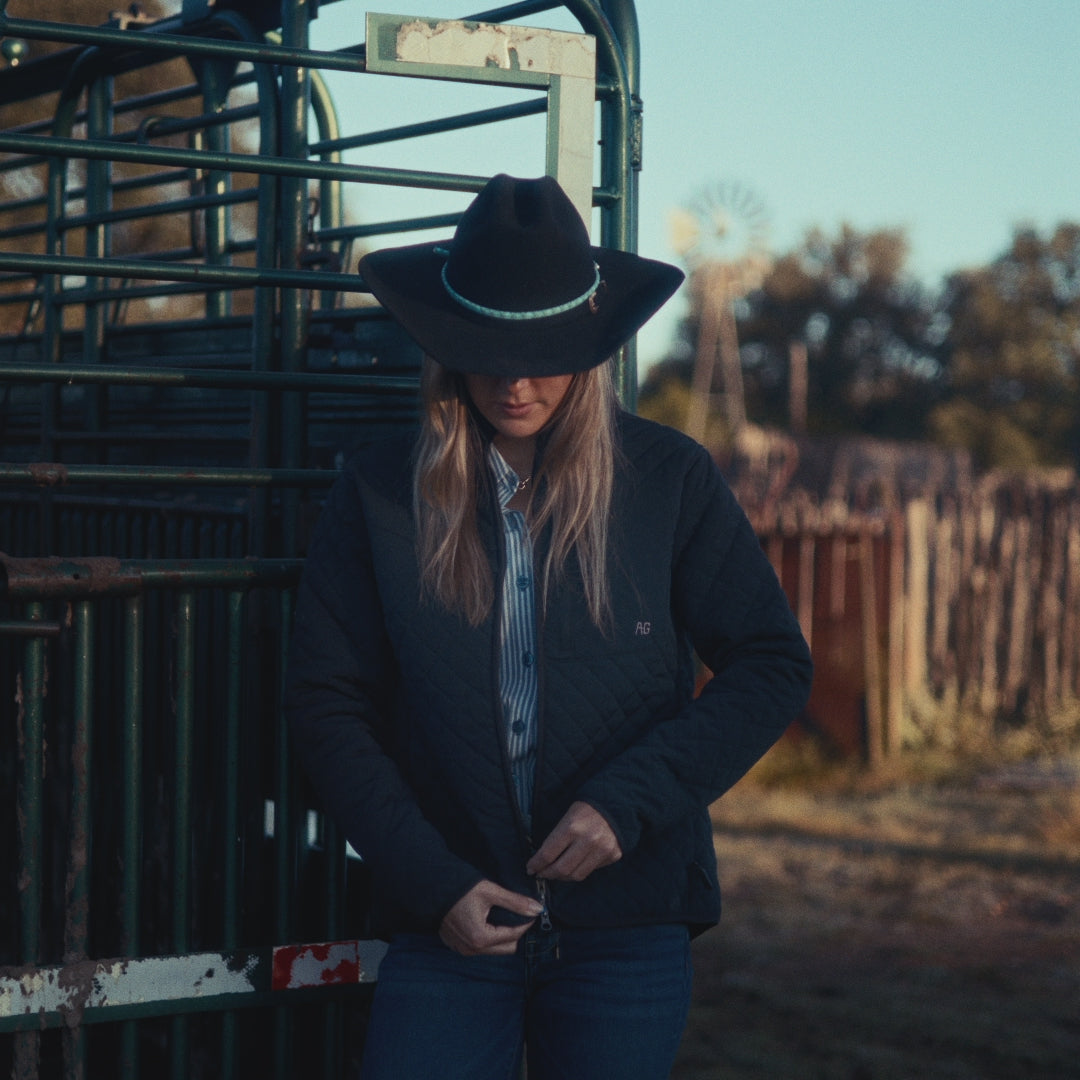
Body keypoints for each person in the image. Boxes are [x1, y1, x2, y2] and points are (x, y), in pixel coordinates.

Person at [284, 174, 812, 1080]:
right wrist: (430, 879)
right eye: (488, 350)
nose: (515, 381)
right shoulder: (379, 494)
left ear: (591, 346)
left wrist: (626, 805)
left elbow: (771, 663)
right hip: (447, 927)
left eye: (544, 351)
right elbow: (324, 703)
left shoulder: (669, 481)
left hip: (628, 930)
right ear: (448, 347)